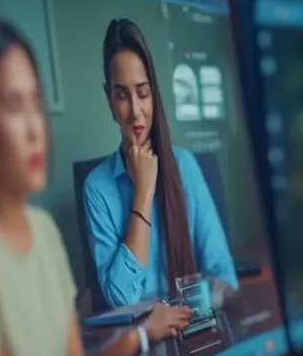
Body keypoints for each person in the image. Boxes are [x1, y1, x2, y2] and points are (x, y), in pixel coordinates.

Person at [0, 16, 191, 356]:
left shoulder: (42, 228)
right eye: (13, 106)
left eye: (37, 103)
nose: (35, 129)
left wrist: (141, 336)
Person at [83, 18, 238, 310]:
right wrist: (143, 192)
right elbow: (120, 299)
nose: (136, 111)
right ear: (109, 101)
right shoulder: (97, 188)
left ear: (154, 92)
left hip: (193, 329)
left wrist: (192, 309)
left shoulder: (185, 167)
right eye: (121, 95)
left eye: (142, 93)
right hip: (140, 346)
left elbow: (224, 275)